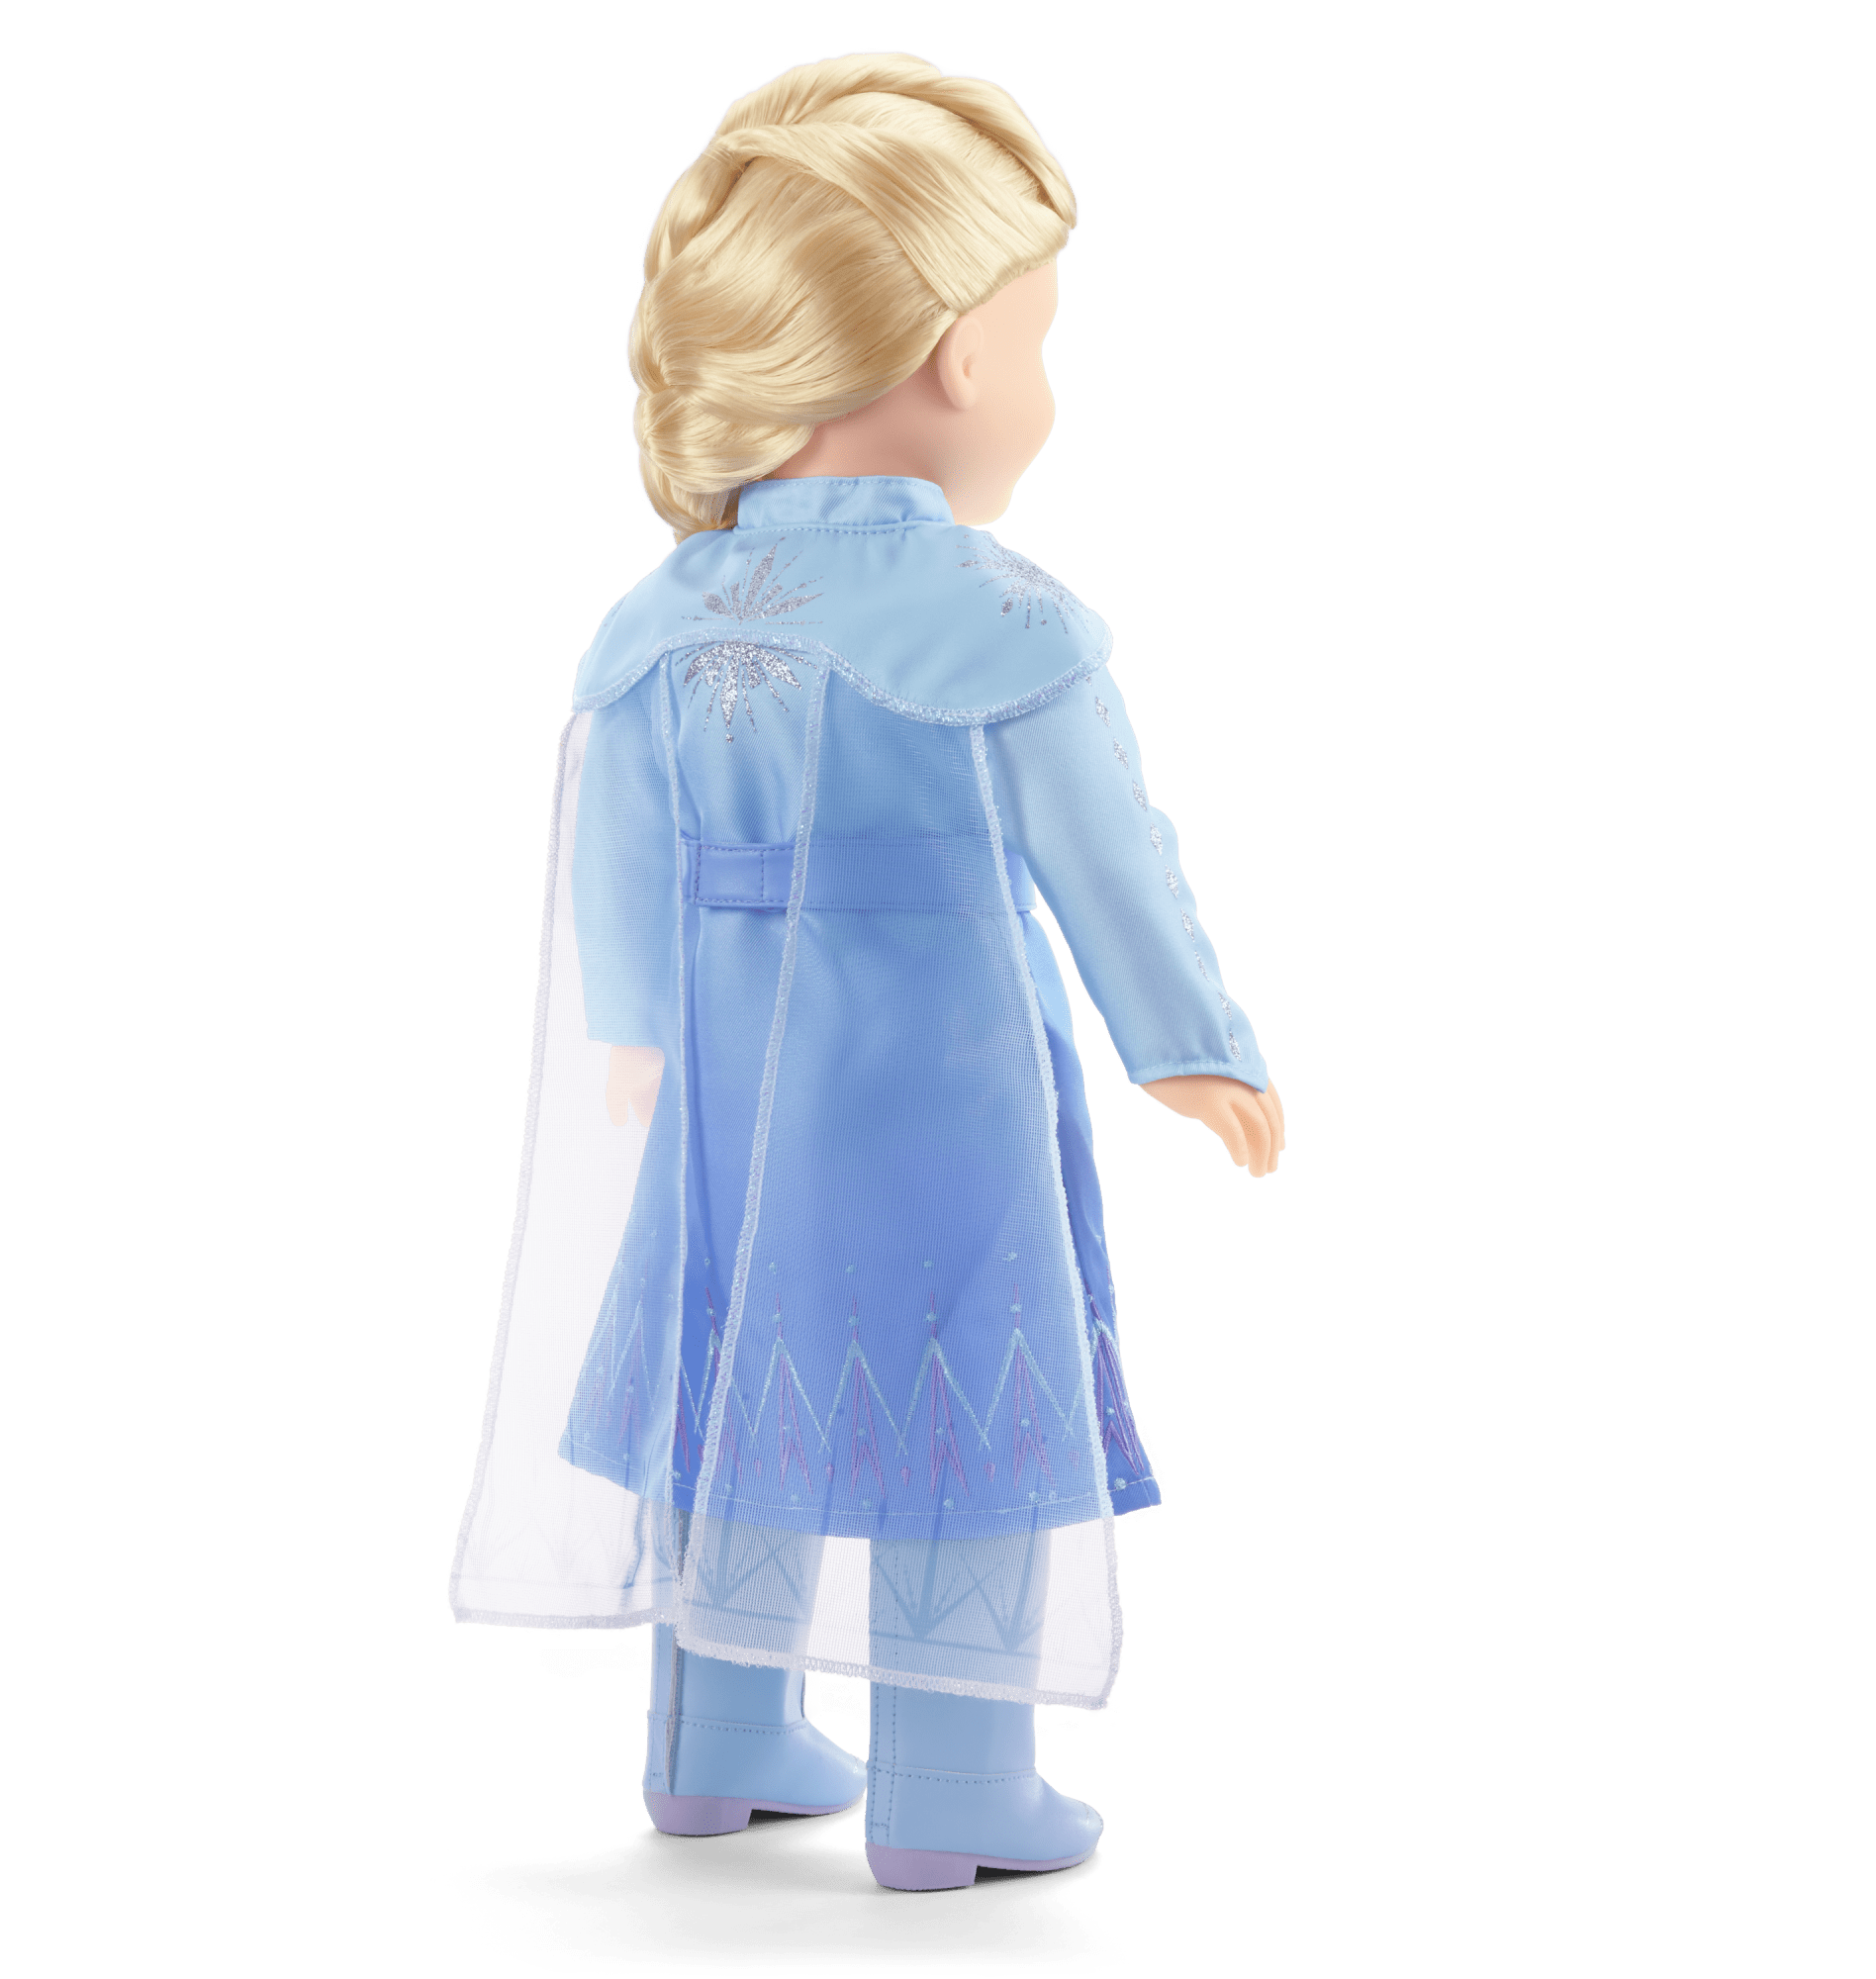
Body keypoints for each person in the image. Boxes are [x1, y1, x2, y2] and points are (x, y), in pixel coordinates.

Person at [436, 46, 1285, 1893]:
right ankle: (950, 1785)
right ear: (960, 356)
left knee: (738, 1371)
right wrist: (1190, 1041)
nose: (1037, 386)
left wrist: (638, 1039)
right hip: (933, 1065)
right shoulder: (1004, 623)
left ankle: (718, 1744)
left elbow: (623, 864)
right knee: (950, 1379)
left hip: (730, 1076)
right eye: (1037, 341)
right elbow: (1110, 862)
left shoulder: (653, 616)